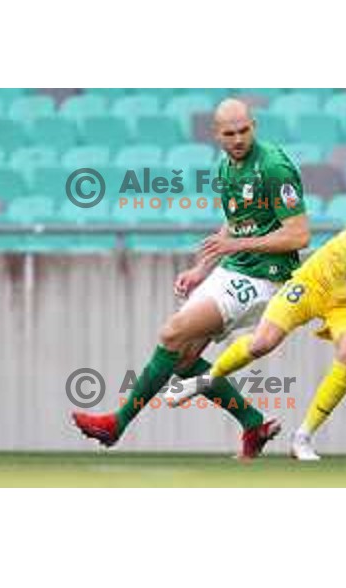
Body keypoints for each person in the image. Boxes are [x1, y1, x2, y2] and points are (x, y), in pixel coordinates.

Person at [72, 98, 310, 458]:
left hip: (266, 277)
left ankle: (116, 423)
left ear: (254, 126)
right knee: (181, 360)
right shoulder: (225, 169)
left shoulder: (274, 167)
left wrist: (237, 245)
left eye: (244, 130)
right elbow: (235, 221)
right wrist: (202, 268)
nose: (238, 139)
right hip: (234, 268)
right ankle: (253, 423)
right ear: (216, 135)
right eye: (229, 133)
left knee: (172, 333)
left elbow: (298, 235)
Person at [174, 194, 346, 460]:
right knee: (262, 343)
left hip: (344, 304)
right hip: (313, 286)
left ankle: (302, 437)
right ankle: (207, 380)